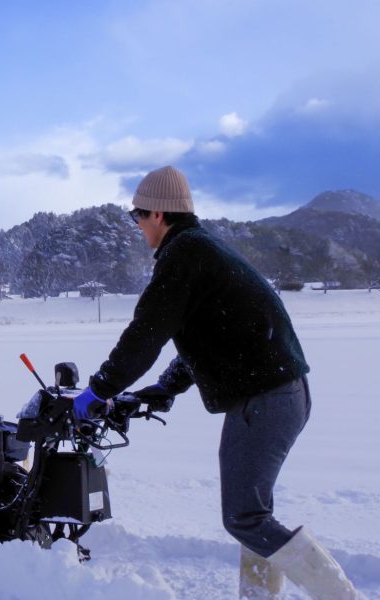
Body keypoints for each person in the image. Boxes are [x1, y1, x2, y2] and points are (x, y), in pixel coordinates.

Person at [71, 165, 359, 600]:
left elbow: (145, 336)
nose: (136, 225)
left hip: (265, 399)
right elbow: (216, 332)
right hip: (282, 393)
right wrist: (164, 389)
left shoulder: (183, 256)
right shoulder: (202, 251)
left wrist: (98, 390)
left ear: (160, 215)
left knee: (244, 517)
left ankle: (342, 596)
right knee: (254, 515)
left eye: (138, 215)